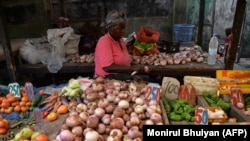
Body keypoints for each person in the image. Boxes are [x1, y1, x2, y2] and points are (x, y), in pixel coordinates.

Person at [94, 10, 147, 80]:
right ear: (110, 28)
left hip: (121, 77)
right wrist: (131, 68)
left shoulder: (120, 40)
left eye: (123, 28)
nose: (123, 31)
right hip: (106, 81)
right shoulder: (104, 41)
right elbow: (108, 67)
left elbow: (123, 60)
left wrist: (137, 66)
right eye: (119, 28)